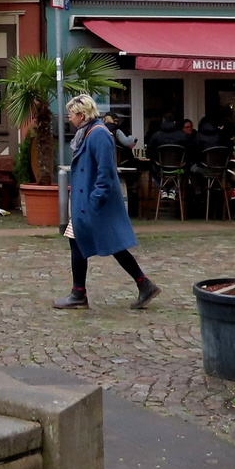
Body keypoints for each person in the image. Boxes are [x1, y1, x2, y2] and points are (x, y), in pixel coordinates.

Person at [54, 95, 160, 310]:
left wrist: (95, 199)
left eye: (72, 114)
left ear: (82, 115)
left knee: (103, 243)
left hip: (93, 203)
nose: (69, 118)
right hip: (88, 201)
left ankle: (79, 294)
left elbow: (106, 171)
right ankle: (142, 284)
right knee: (100, 243)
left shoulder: (99, 134)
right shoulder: (89, 133)